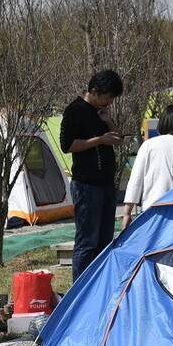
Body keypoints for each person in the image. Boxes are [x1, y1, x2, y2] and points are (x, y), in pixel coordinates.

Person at [59, 69, 125, 280]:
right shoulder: (75, 110)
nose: (109, 102)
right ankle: (80, 287)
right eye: (107, 97)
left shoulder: (101, 112)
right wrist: (99, 140)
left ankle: (100, 284)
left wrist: (108, 121)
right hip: (86, 185)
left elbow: (117, 138)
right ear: (95, 91)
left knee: (105, 240)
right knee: (87, 241)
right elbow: (67, 145)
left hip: (106, 184)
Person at [122, 104, 173, 231]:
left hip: (152, 212)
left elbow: (135, 181)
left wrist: (127, 212)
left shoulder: (149, 145)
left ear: (163, 123)